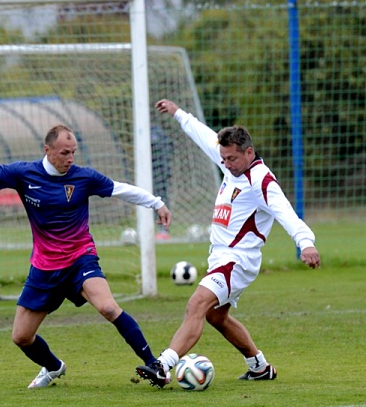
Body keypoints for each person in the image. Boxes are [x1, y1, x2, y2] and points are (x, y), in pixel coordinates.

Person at [0, 124, 172, 389]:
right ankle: (53, 367)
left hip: (80, 258)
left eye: (73, 152)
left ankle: (154, 365)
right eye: (64, 153)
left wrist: (156, 203)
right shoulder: (24, 174)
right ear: (47, 150)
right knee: (21, 337)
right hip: (45, 267)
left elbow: (121, 189)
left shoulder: (84, 177)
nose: (70, 159)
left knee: (107, 307)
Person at [137, 99, 321, 388]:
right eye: (223, 159)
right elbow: (203, 134)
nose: (226, 163)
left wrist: (306, 242)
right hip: (220, 257)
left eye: (232, 159)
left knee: (196, 304)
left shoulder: (262, 181)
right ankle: (259, 366)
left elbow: (286, 212)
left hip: (239, 260)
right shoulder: (230, 163)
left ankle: (163, 365)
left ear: (249, 152)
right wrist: (178, 113)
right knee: (215, 316)